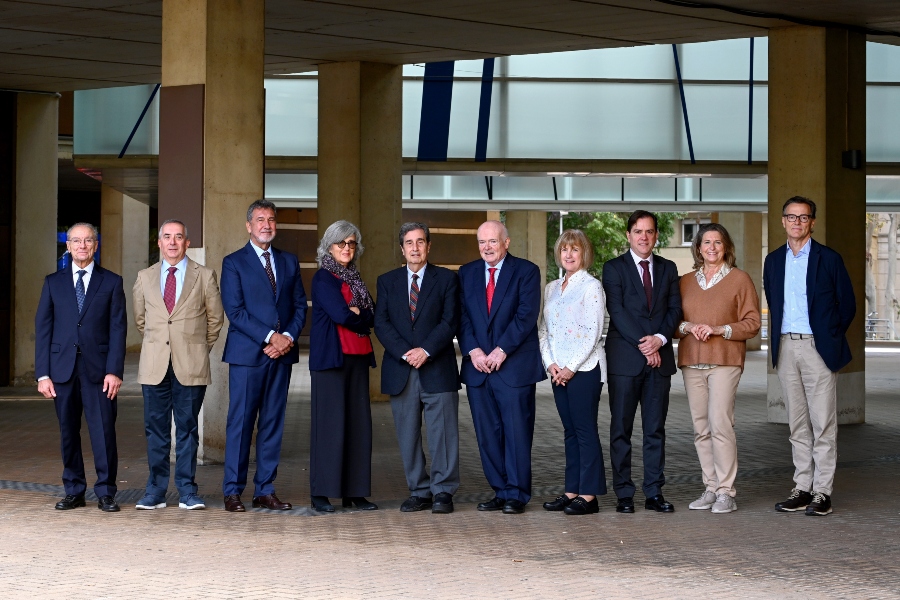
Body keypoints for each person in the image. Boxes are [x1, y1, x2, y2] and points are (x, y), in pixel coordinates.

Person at [763, 196, 856, 517]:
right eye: (791, 217)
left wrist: (828, 337)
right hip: (786, 347)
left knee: (823, 422)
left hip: (818, 347)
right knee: (797, 423)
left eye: (803, 218)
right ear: (783, 221)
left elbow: (847, 305)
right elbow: (774, 302)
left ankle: (822, 492)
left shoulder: (829, 259)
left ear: (812, 222)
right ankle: (802, 488)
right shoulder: (773, 261)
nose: (797, 222)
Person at [220, 200, 307, 512]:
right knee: (241, 424)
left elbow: (299, 305)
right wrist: (272, 337)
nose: (266, 225)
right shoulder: (233, 262)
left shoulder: (289, 261)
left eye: (271, 219)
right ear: (249, 225)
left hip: (280, 357)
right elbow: (235, 311)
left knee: (273, 424)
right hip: (248, 356)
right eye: (260, 220)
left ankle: (264, 490)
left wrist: (288, 339)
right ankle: (232, 491)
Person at [132, 219, 224, 510]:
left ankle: (187, 491)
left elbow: (215, 320)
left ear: (187, 242)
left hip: (191, 364)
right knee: (156, 429)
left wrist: (196, 348)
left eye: (179, 237)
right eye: (167, 237)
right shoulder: (144, 277)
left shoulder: (205, 275)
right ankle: (156, 492)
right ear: (159, 243)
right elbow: (141, 320)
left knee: (187, 430)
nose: (173, 242)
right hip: (154, 365)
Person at [35, 222, 127, 512]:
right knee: (67, 432)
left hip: (99, 372)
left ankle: (106, 492)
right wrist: (43, 374)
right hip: (61, 371)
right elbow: (43, 329)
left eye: (88, 241)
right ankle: (74, 490)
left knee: (103, 432)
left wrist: (115, 371)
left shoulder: (111, 282)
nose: (82, 246)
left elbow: (118, 330)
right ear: (68, 246)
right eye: (76, 241)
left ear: (96, 245)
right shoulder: (53, 282)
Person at [458, 220, 546, 515]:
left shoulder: (526, 271)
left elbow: (525, 316)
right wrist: (473, 351)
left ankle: (517, 493)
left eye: (493, 241)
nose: (487, 247)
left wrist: (500, 350)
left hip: (514, 367)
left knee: (517, 432)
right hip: (478, 368)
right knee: (487, 434)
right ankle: (500, 490)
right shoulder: (467, 273)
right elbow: (462, 317)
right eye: (482, 242)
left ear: (506, 242)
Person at [374, 222, 461, 514]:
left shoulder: (447, 280)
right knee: (408, 434)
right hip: (402, 369)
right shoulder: (387, 281)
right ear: (402, 249)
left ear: (428, 246)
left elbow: (450, 321)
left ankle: (443, 491)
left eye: (420, 242)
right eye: (409, 243)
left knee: (443, 434)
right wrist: (405, 353)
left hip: (437, 367)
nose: (415, 248)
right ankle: (419, 490)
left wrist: (425, 350)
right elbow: (381, 323)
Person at [676, 223, 760, 515]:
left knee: (720, 424)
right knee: (701, 429)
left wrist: (718, 329)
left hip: (725, 360)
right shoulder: (684, 281)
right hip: (691, 361)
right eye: (706, 242)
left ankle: (726, 492)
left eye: (718, 242)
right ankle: (711, 488)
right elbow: (671, 322)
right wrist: (689, 326)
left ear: (726, 248)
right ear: (698, 248)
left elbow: (752, 323)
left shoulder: (740, 280)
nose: (712, 247)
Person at [602, 210, 682, 514]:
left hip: (659, 360)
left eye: (649, 232)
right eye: (638, 231)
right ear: (628, 235)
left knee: (655, 429)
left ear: (656, 236)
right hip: (625, 360)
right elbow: (618, 312)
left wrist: (660, 339)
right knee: (620, 429)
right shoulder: (613, 268)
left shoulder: (668, 268)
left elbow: (675, 309)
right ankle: (624, 493)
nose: (644, 237)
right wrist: (645, 344)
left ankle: (653, 493)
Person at [308, 220, 378, 513]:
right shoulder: (324, 279)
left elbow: (371, 314)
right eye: (341, 243)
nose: (347, 248)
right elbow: (341, 315)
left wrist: (359, 313)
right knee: (330, 427)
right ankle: (321, 493)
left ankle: (355, 493)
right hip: (331, 362)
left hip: (358, 357)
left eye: (351, 243)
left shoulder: (354, 279)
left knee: (358, 427)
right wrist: (359, 314)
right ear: (329, 246)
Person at [538, 229, 608, 515]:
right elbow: (544, 330)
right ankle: (571, 491)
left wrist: (570, 368)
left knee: (585, 430)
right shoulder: (552, 288)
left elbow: (593, 332)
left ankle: (589, 496)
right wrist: (551, 364)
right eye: (565, 249)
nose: (568, 254)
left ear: (584, 254)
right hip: (558, 370)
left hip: (585, 369)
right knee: (570, 432)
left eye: (575, 250)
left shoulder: (592, 286)